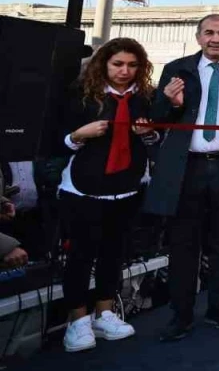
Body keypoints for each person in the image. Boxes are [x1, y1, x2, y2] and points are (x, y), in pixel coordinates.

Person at [148, 14, 219, 343]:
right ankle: (180, 315)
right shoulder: (177, 69)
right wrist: (171, 103)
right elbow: (157, 117)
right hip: (187, 168)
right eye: (210, 32)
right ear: (198, 37)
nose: (216, 38)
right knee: (183, 244)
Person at [56, 39, 157, 352]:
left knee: (114, 253)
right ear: (104, 64)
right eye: (118, 64)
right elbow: (54, 141)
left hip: (127, 188)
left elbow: (155, 142)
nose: (125, 71)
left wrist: (149, 134)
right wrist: (79, 135)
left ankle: (104, 313)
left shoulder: (145, 98)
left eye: (132, 65)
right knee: (81, 255)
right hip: (83, 188)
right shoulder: (80, 95)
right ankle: (77, 321)